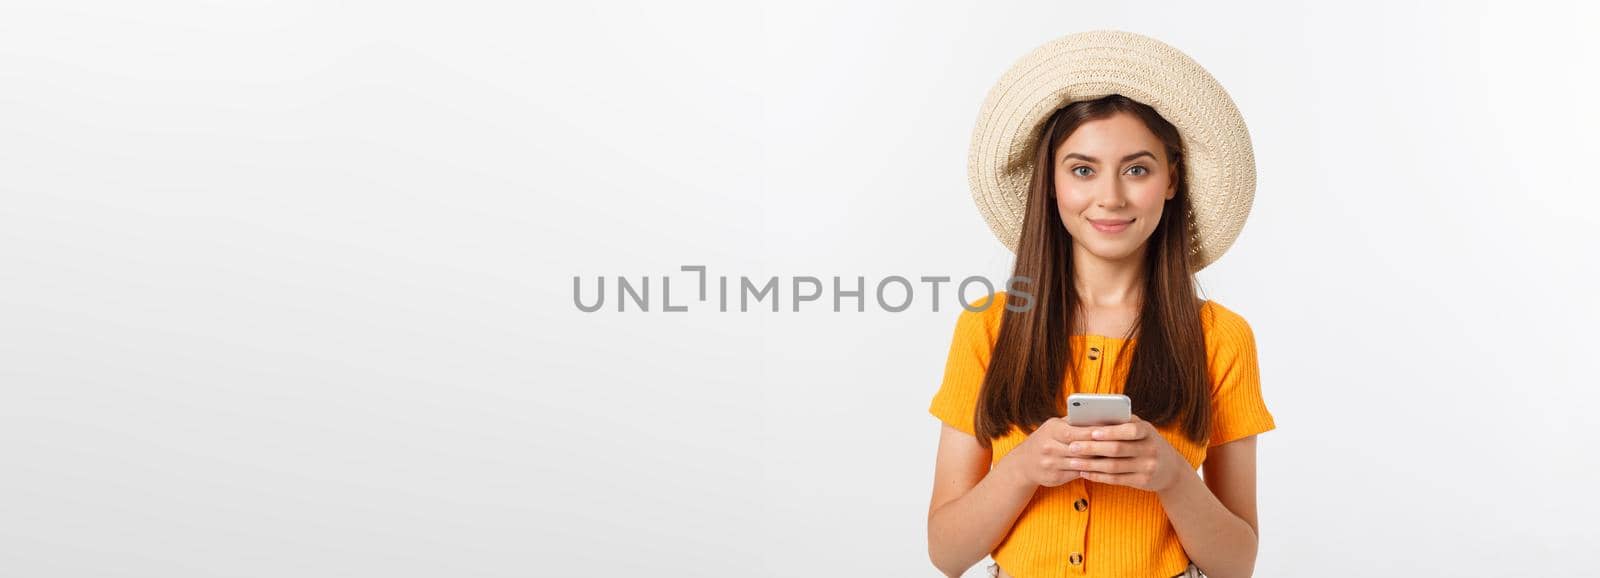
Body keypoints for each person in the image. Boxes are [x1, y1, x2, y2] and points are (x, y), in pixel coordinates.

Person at [926, 31, 1275, 578]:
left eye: (1136, 169)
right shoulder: (990, 326)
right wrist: (1022, 469)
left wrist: (1171, 475)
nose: (1110, 197)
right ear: (1051, 183)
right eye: (1082, 169)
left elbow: (1237, 565)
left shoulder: (1221, 338)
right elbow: (946, 553)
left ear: (1171, 180)